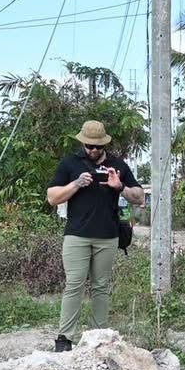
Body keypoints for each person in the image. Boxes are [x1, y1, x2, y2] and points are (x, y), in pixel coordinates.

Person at [46, 120, 145, 352]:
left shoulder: (117, 165)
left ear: (104, 145)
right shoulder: (70, 163)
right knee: (74, 284)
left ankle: (100, 336)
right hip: (77, 236)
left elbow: (139, 196)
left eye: (97, 147)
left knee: (101, 286)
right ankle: (64, 338)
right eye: (89, 146)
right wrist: (76, 184)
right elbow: (52, 197)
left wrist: (119, 186)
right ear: (83, 143)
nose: (93, 150)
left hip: (107, 236)